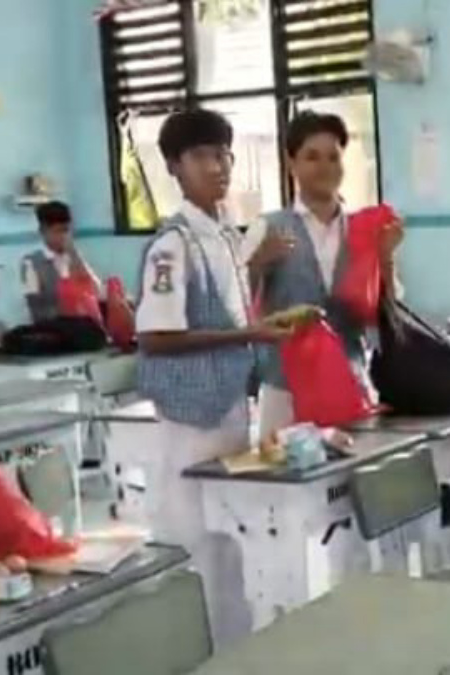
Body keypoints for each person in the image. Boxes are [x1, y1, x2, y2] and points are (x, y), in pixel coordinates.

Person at [134, 109, 292, 646]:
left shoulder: (224, 234)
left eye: (224, 155)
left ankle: (232, 647)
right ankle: (190, 650)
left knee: (230, 538)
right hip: (191, 414)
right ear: (174, 166)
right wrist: (250, 334)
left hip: (229, 405)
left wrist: (259, 280)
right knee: (192, 539)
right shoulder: (171, 245)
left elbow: (227, 306)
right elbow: (156, 336)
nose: (218, 166)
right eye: (202, 156)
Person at [244, 111, 404, 438]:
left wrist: (386, 257)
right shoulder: (267, 227)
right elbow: (237, 306)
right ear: (291, 163)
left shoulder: (364, 229)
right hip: (285, 390)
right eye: (312, 157)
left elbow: (387, 310)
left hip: (349, 382)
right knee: (286, 470)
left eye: (334, 157)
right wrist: (257, 264)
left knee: (354, 470)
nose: (325, 167)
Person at [21, 200, 103, 323]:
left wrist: (74, 254)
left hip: (85, 325)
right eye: (57, 231)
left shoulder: (74, 258)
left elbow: (96, 291)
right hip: (53, 327)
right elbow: (35, 308)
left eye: (66, 230)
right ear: (43, 231)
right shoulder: (31, 263)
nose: (63, 237)